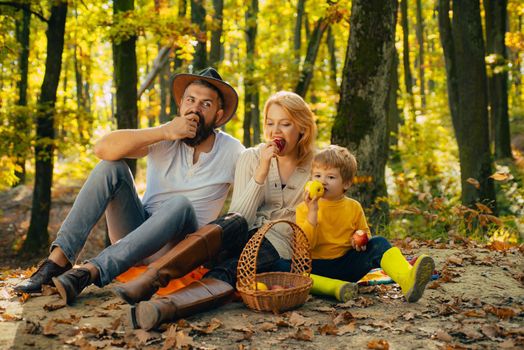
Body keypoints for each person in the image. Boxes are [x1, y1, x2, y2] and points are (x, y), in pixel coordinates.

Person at [14, 68, 245, 305]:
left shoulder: (232, 150)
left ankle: (90, 271)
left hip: (179, 249)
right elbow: (102, 149)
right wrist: (165, 131)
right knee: (110, 167)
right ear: (180, 106)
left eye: (205, 104)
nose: (195, 108)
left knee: (180, 205)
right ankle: (57, 261)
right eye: (190, 100)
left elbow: (256, 188)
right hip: (134, 234)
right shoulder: (164, 135)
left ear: (218, 116)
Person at [117, 91, 317, 331]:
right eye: (270, 123)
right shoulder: (251, 157)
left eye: (285, 124)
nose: (276, 131)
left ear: (302, 129)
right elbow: (242, 214)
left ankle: (164, 308)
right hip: (243, 228)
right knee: (227, 226)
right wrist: (261, 172)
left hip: (277, 244)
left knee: (229, 270)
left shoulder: (316, 167)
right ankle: (151, 279)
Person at [290, 145, 435, 303]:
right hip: (315, 267)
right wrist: (312, 212)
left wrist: (358, 242)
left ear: (346, 183)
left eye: (331, 177)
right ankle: (336, 288)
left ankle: (407, 279)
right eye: (317, 175)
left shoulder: (353, 207)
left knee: (379, 243)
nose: (322, 181)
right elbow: (305, 248)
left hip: (346, 265)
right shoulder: (304, 208)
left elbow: (365, 236)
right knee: (284, 267)